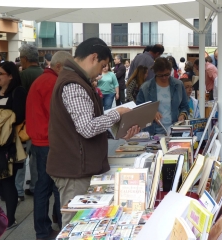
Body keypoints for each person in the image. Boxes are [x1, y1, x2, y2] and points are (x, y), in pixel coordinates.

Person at [46, 37, 139, 227]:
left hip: (78, 166)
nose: (101, 72)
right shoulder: (73, 84)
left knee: (82, 221)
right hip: (74, 169)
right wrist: (116, 114)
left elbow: (87, 122)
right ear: (94, 57)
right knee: (75, 225)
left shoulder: (75, 79)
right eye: (103, 65)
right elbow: (87, 127)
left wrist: (118, 131)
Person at [26, 51, 72, 240]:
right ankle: (48, 230)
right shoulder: (52, 83)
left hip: (40, 139)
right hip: (48, 140)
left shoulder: (42, 80)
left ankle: (45, 228)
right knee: (51, 186)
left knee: (44, 186)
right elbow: (58, 116)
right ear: (59, 66)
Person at [0, 61, 27, 230]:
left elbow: (18, 115)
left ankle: (10, 217)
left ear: (10, 75)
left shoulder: (18, 92)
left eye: (0, 73)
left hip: (11, 143)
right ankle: (11, 200)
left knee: (8, 180)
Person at [136, 57, 189, 135]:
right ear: (155, 72)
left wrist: (182, 115)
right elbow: (138, 108)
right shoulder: (146, 87)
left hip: (175, 130)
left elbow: (184, 106)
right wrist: (151, 113)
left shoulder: (178, 85)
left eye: (167, 74)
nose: (164, 77)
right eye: (160, 75)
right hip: (153, 132)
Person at [17, 44, 42, 198]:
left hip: (25, 123)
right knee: (36, 157)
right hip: (41, 122)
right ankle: (34, 185)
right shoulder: (44, 74)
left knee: (21, 155)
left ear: (25, 58)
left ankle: (18, 190)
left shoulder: (23, 76)